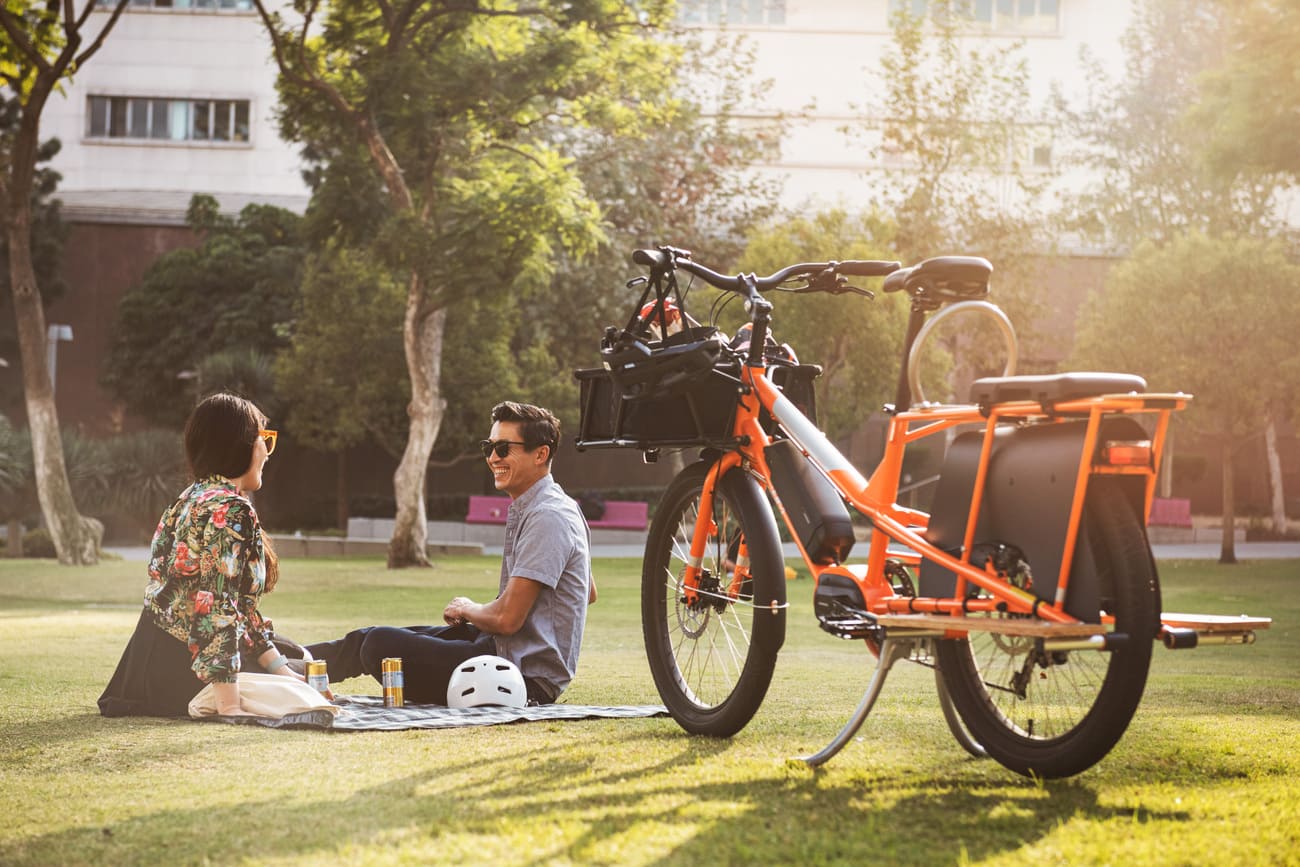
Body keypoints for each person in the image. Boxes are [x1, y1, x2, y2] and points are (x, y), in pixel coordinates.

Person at [306, 401, 595, 706]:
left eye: (503, 448)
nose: (493, 458)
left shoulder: (548, 515)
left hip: (517, 676)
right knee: (365, 638)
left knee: (378, 644)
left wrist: (468, 608)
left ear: (540, 454)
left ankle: (284, 665)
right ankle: (286, 664)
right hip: (498, 648)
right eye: (489, 447)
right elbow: (586, 591)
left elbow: (507, 619)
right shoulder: (551, 506)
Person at [99, 392, 302, 718]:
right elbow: (218, 607)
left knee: (294, 669)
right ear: (241, 445)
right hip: (180, 673)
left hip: (141, 667)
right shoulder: (232, 509)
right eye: (263, 439)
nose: (267, 452)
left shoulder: (187, 499)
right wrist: (229, 706)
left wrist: (282, 670)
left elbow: (237, 609)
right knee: (301, 682)